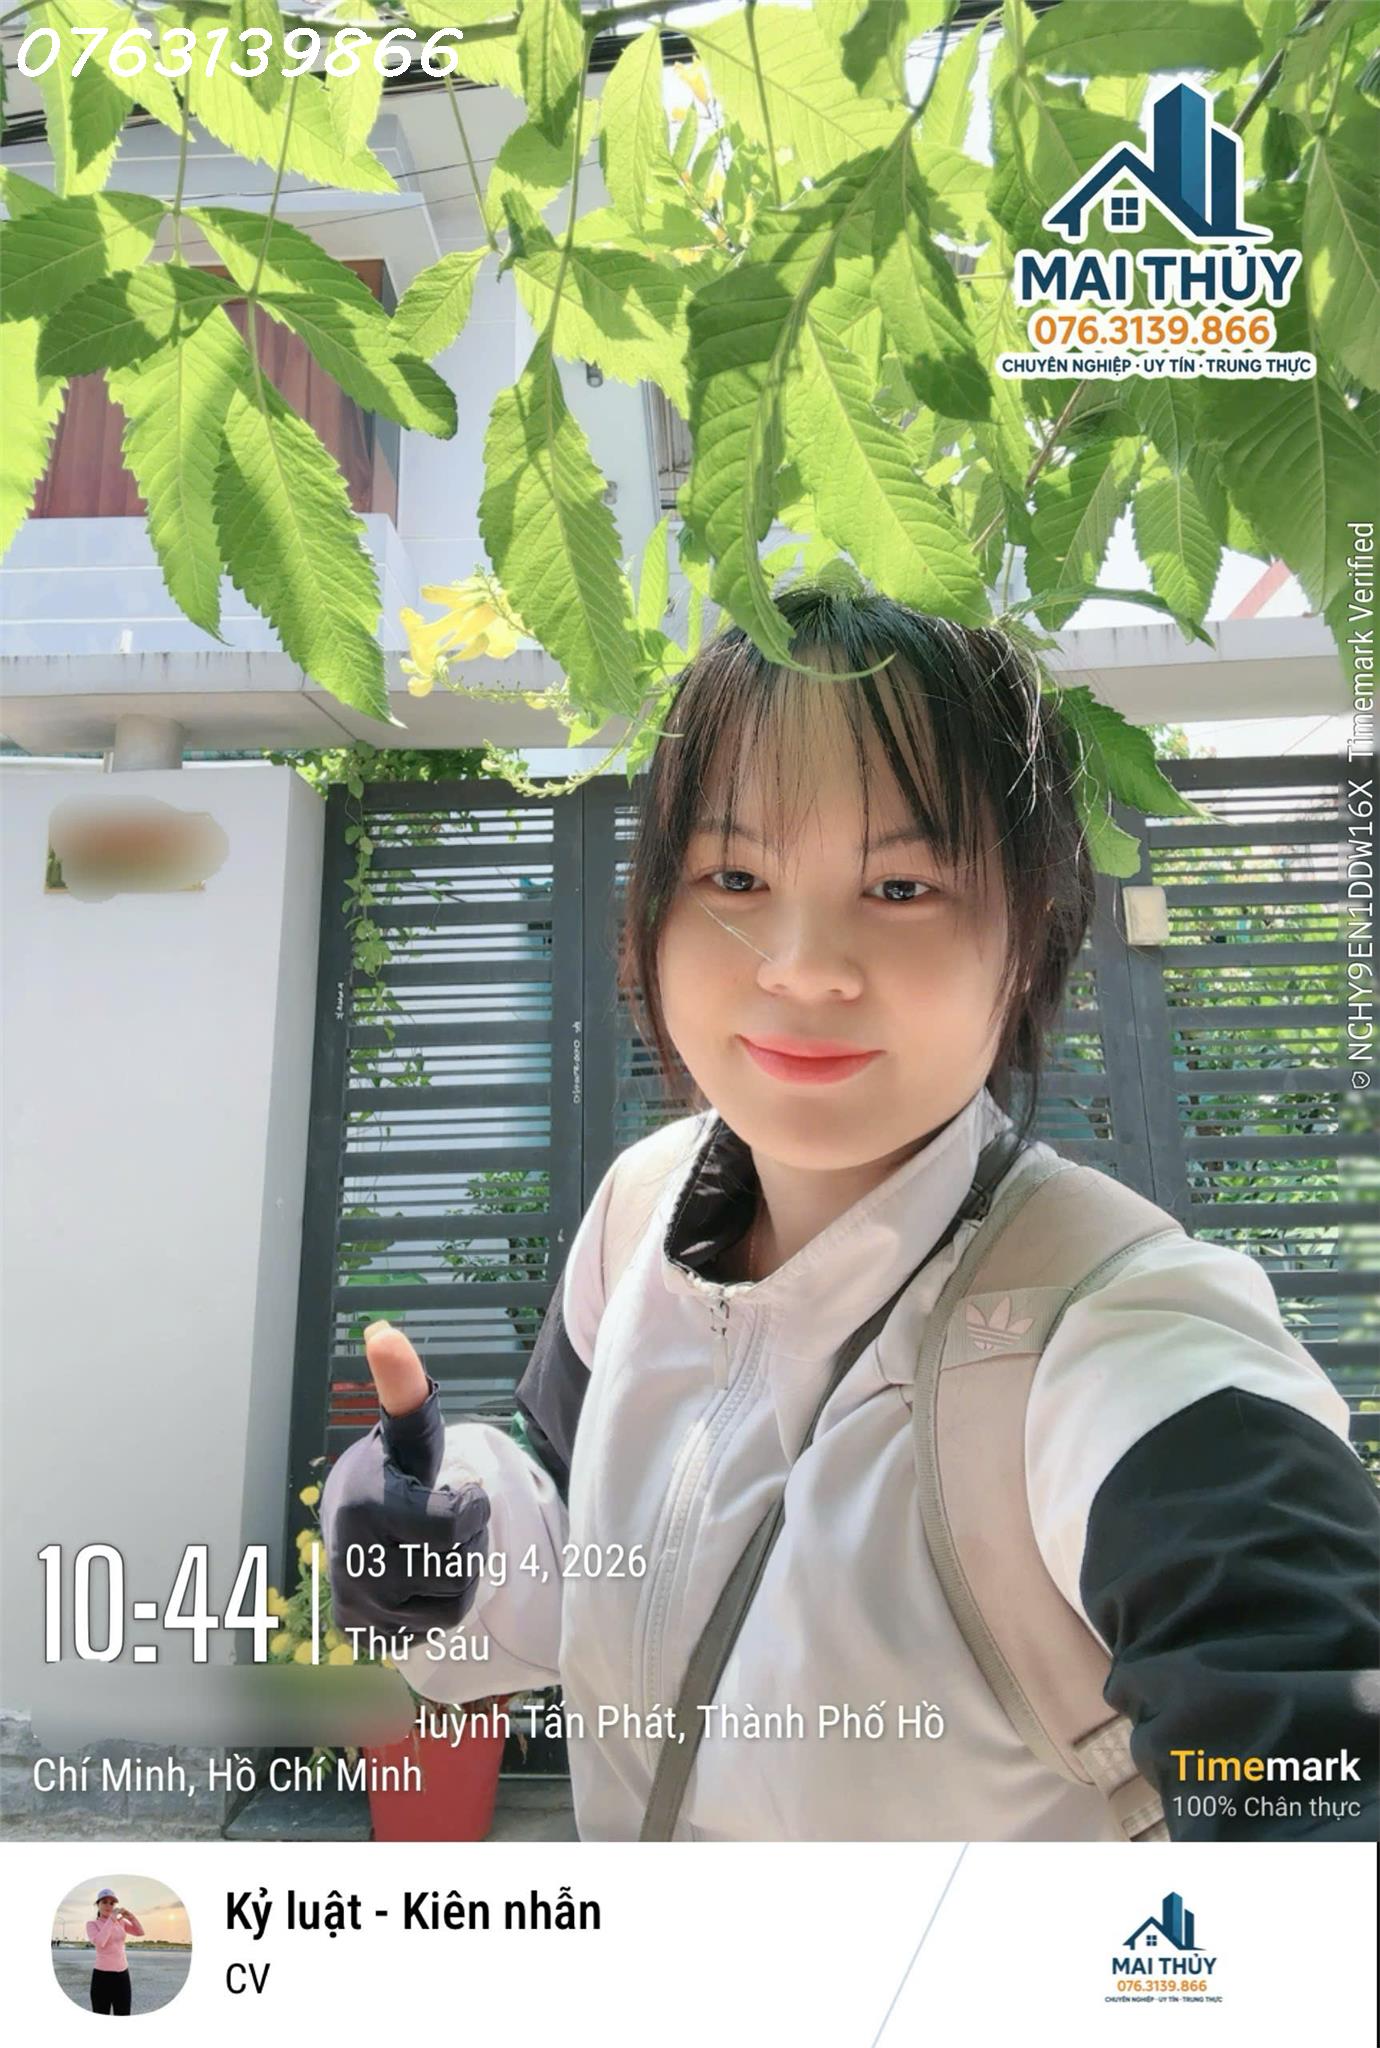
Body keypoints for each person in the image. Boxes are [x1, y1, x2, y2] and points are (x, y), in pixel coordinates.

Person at [321, 586, 1380, 1843]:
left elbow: (1302, 1700)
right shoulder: (640, 1209)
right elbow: (579, 1517)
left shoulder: (1111, 1324)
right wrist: (448, 1532)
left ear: (1030, 937)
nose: (803, 964)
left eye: (901, 884)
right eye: (736, 874)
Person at [86, 1888, 143, 2015]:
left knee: (123, 2013)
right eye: (104, 1902)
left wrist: (131, 1917)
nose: (108, 1905)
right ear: (97, 1904)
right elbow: (100, 1942)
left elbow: (140, 1932)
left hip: (122, 1975)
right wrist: (112, 1919)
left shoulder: (120, 1922)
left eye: (112, 1903)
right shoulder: (92, 1924)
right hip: (102, 1977)